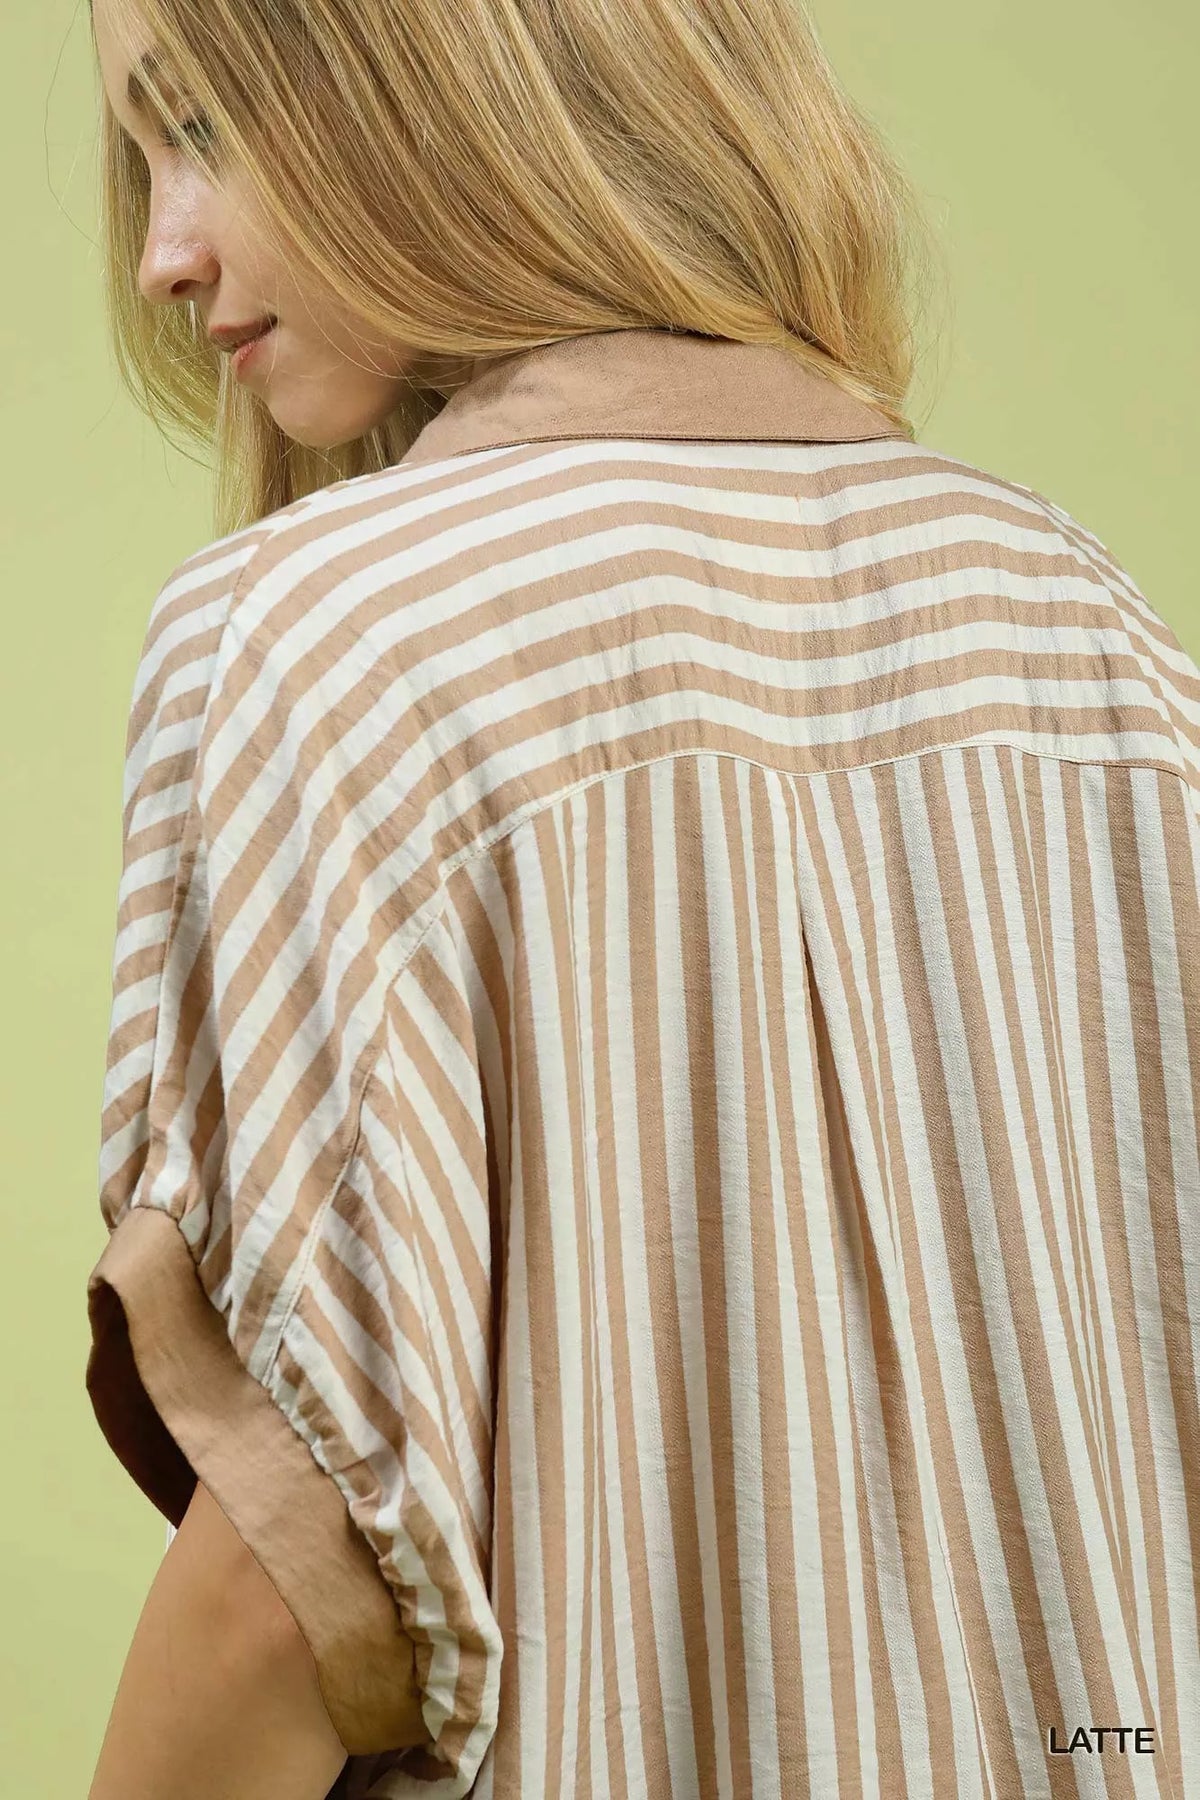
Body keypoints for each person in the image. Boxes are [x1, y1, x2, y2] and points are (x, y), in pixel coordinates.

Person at [83, 0, 1200, 1796]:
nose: (160, 253)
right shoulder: (1092, 627)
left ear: (445, 70)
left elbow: (294, 1571)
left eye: (203, 125)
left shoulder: (322, 638)